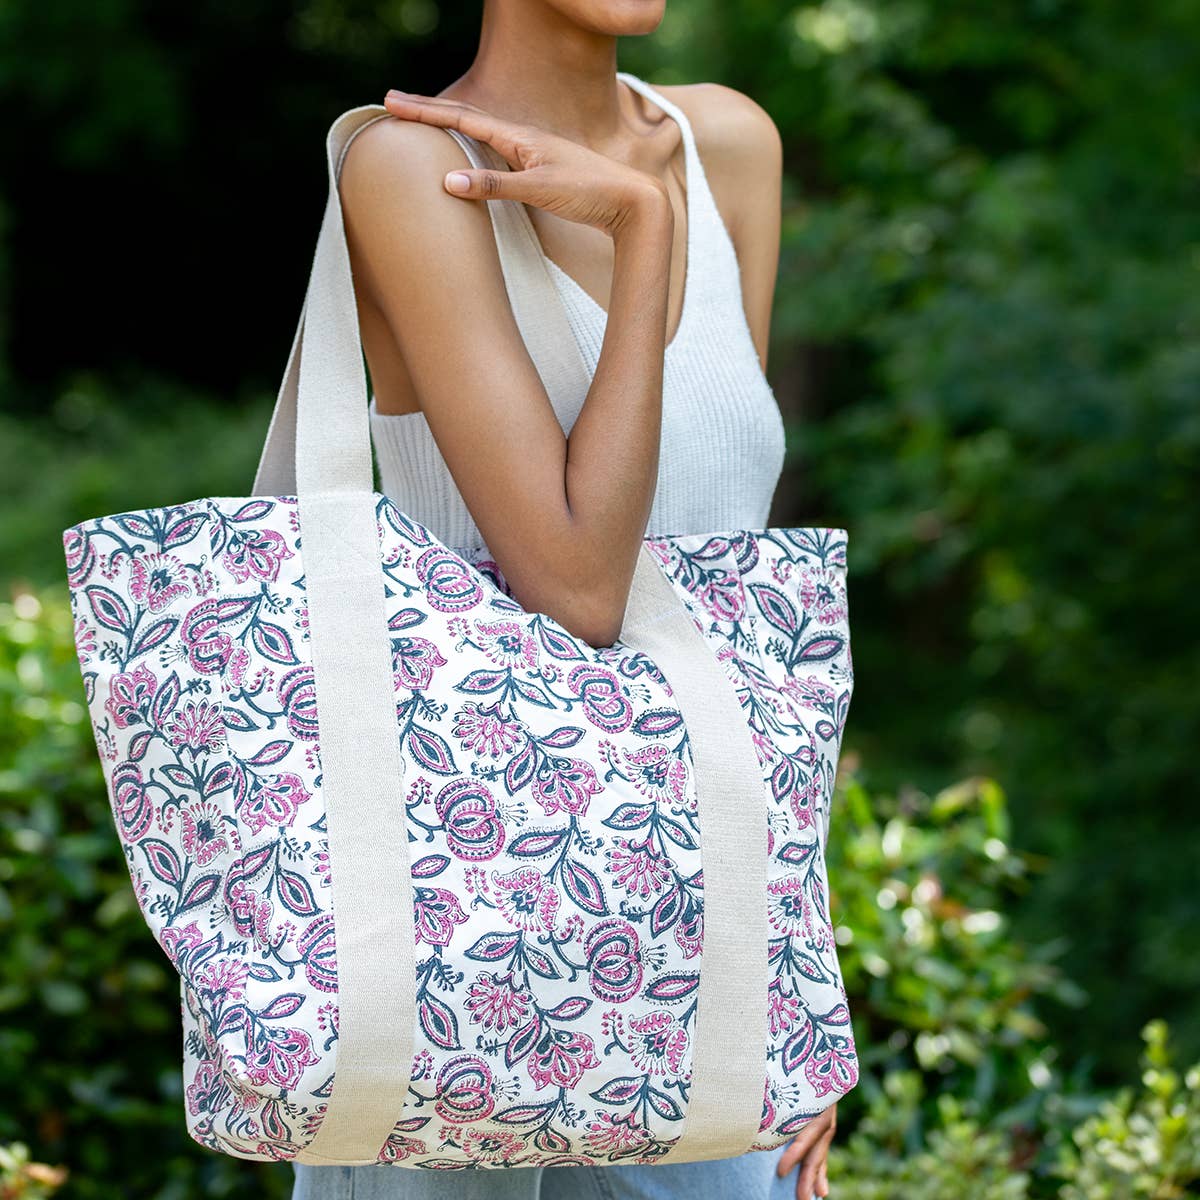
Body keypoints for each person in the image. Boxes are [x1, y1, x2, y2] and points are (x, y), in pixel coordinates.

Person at [292, 1, 838, 1197]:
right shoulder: (410, 169)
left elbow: (733, 618)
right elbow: (581, 585)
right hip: (462, 954)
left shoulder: (729, 146)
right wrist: (644, 235)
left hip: (703, 960)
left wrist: (799, 983)